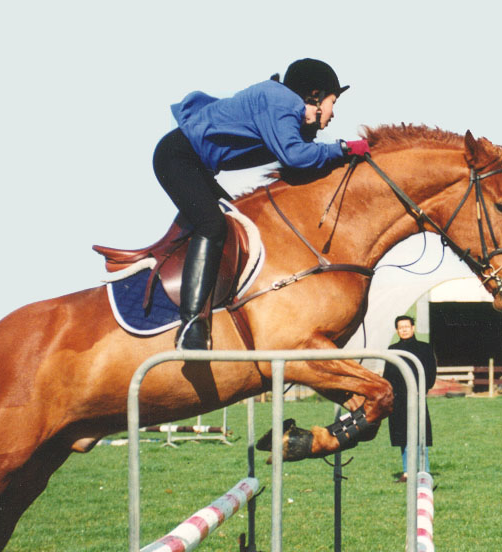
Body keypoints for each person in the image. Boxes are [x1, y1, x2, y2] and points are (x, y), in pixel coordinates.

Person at [152, 58, 371, 349]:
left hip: (193, 164)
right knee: (213, 225)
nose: (333, 114)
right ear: (315, 97)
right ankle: (191, 323)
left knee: (237, 225)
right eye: (333, 102)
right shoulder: (282, 102)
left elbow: (299, 160)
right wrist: (343, 148)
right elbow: (295, 157)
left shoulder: (283, 105)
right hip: (177, 158)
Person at [382, 315, 437, 482]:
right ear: (397, 330)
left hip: (417, 397)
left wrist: (423, 390)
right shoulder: (392, 349)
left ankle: (423, 471)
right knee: (402, 436)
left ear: (413, 328)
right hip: (398, 400)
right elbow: (387, 375)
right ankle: (407, 472)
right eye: (401, 327)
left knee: (420, 434)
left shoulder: (425, 348)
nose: (404, 329)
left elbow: (431, 372)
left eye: (407, 326)